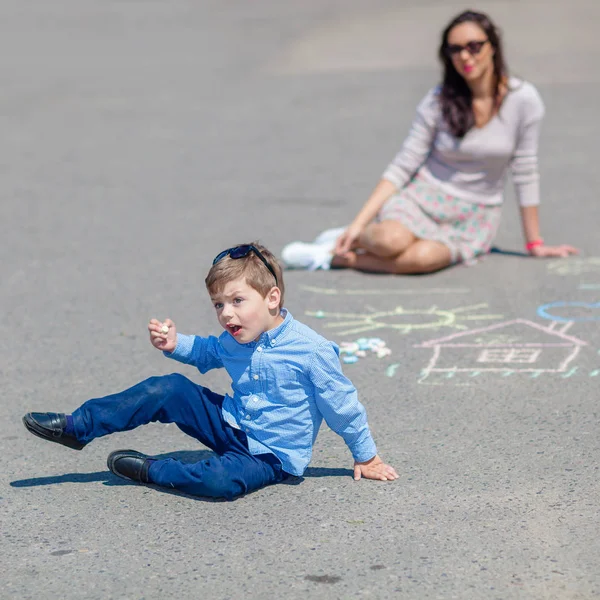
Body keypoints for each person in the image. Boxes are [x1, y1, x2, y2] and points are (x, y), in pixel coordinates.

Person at [22, 243, 398, 500]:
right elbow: (207, 351)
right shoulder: (235, 336)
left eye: (237, 301)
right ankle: (79, 427)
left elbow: (342, 406)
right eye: (218, 304)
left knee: (220, 482)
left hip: (270, 456)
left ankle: (152, 470)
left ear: (272, 298)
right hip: (230, 422)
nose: (226, 314)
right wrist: (175, 344)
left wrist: (365, 457)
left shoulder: (312, 350)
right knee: (167, 388)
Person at [281, 10, 578, 274]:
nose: (465, 56)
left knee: (421, 260)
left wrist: (535, 243)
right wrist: (360, 222)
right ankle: (353, 236)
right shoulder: (439, 101)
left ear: (493, 47)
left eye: (474, 46)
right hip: (423, 198)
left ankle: (332, 258)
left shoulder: (523, 100)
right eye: (455, 49)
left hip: (475, 215)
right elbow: (403, 165)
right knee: (390, 241)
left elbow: (525, 170)